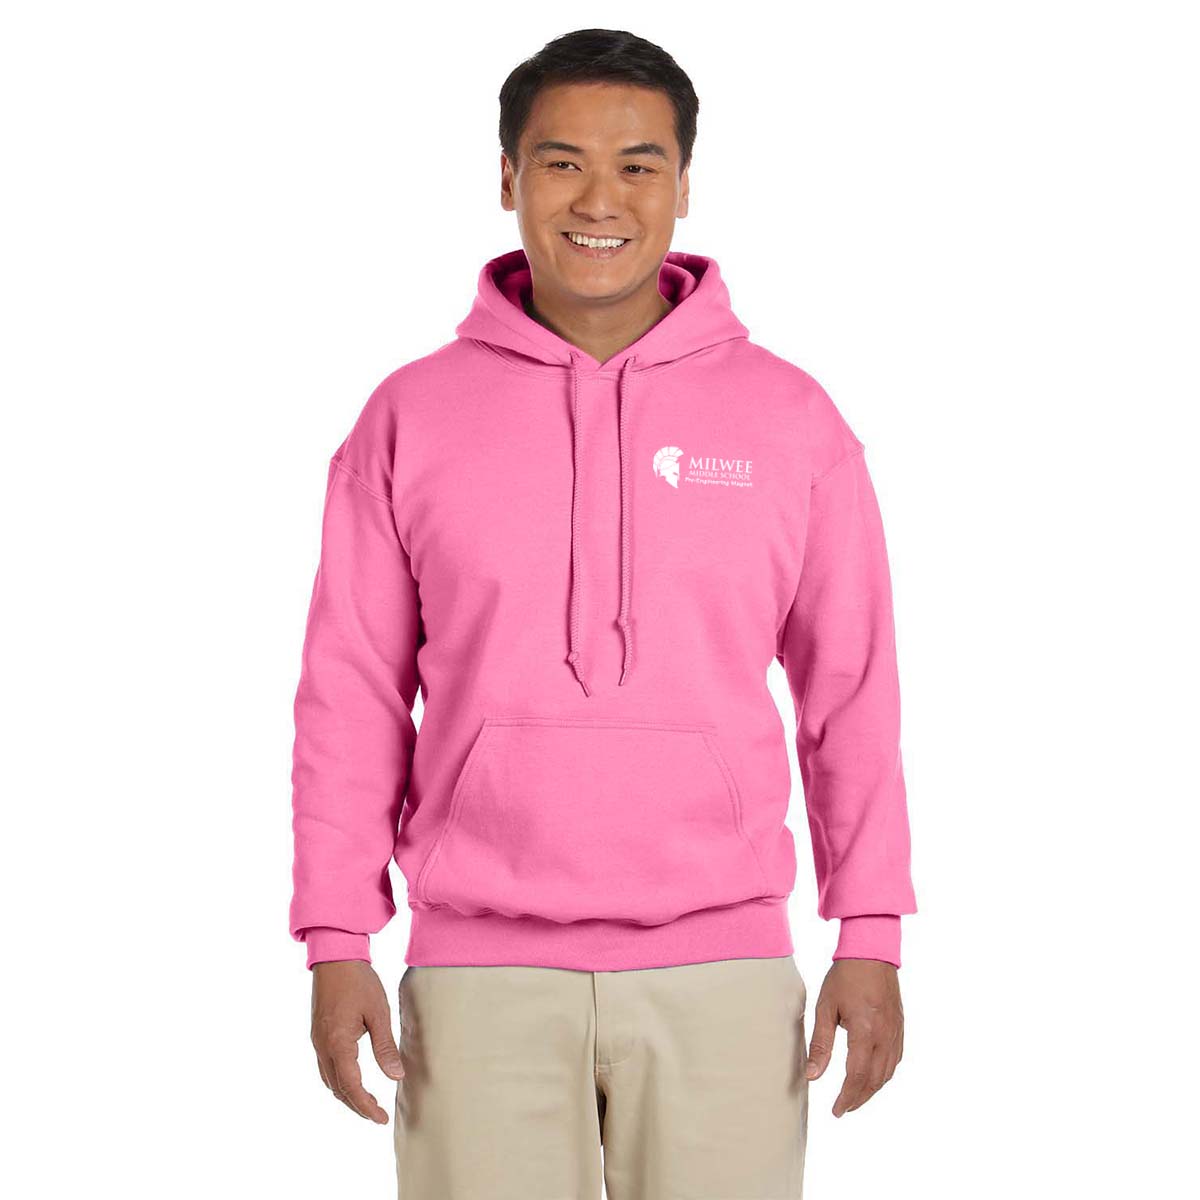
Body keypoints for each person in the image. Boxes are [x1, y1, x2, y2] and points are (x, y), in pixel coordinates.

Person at [289, 27, 917, 1199]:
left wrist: (870, 931)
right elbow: (351, 694)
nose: (599, 199)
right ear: (508, 177)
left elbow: (852, 690)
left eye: (637, 165)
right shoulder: (408, 417)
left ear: (683, 185)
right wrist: (336, 938)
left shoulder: (791, 420)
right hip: (475, 975)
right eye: (562, 161)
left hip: (725, 965)